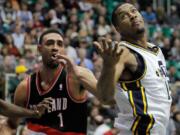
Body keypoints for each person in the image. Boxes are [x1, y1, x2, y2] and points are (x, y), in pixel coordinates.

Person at [94, 3, 172, 135]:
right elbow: (105, 98)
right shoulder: (123, 53)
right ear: (118, 28)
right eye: (124, 16)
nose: (132, 15)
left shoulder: (156, 50)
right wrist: (109, 65)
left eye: (133, 10)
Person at [14, 29, 98, 135]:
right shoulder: (25, 87)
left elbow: (107, 98)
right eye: (49, 43)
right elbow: (12, 123)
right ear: (39, 49)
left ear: (63, 50)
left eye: (59, 44)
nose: (55, 47)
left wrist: (109, 67)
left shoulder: (77, 77)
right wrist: (30, 116)